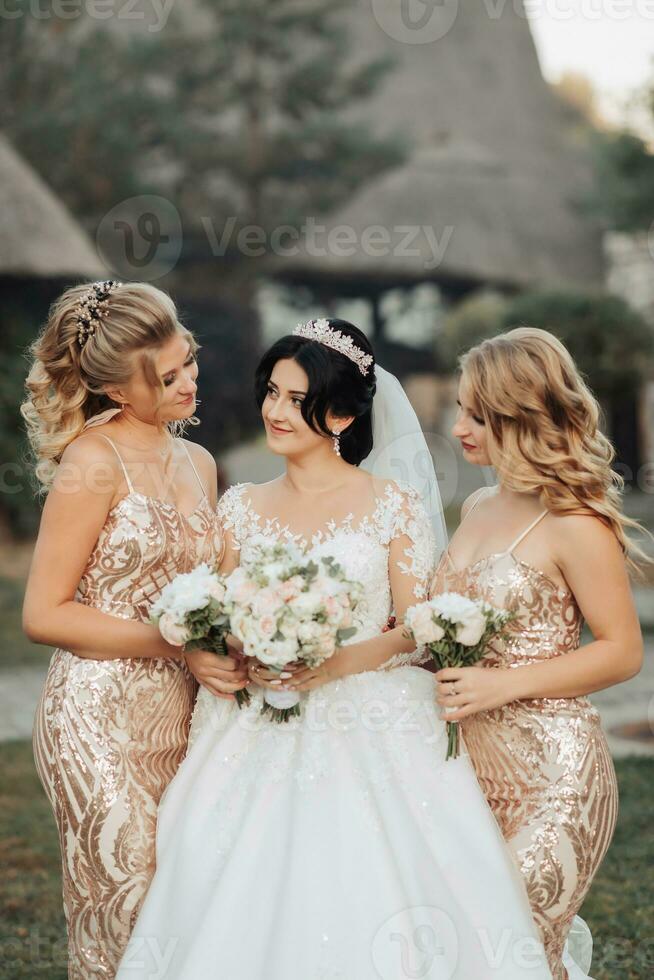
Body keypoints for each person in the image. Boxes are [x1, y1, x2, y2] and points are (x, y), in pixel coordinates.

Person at [116, 318, 553, 980]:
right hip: (258, 710)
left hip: (368, 708)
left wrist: (343, 658)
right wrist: (234, 644)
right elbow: (225, 608)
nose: (275, 410)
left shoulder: (393, 506)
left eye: (297, 399)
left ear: (344, 414)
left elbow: (417, 624)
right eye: (271, 392)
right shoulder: (240, 507)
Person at [22, 281, 245, 979]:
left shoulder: (200, 463)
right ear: (117, 391)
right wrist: (179, 643)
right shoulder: (93, 463)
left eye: (188, 363)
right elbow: (44, 613)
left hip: (185, 717)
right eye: (168, 378)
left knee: (183, 909)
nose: (188, 384)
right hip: (98, 719)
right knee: (126, 906)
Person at [429, 327, 645, 980]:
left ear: (521, 416)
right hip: (464, 769)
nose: (461, 426)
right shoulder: (477, 504)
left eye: (479, 414)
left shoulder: (575, 522)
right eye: (461, 409)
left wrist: (502, 685)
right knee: (460, 947)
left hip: (553, 772)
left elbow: (622, 652)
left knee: (515, 947)